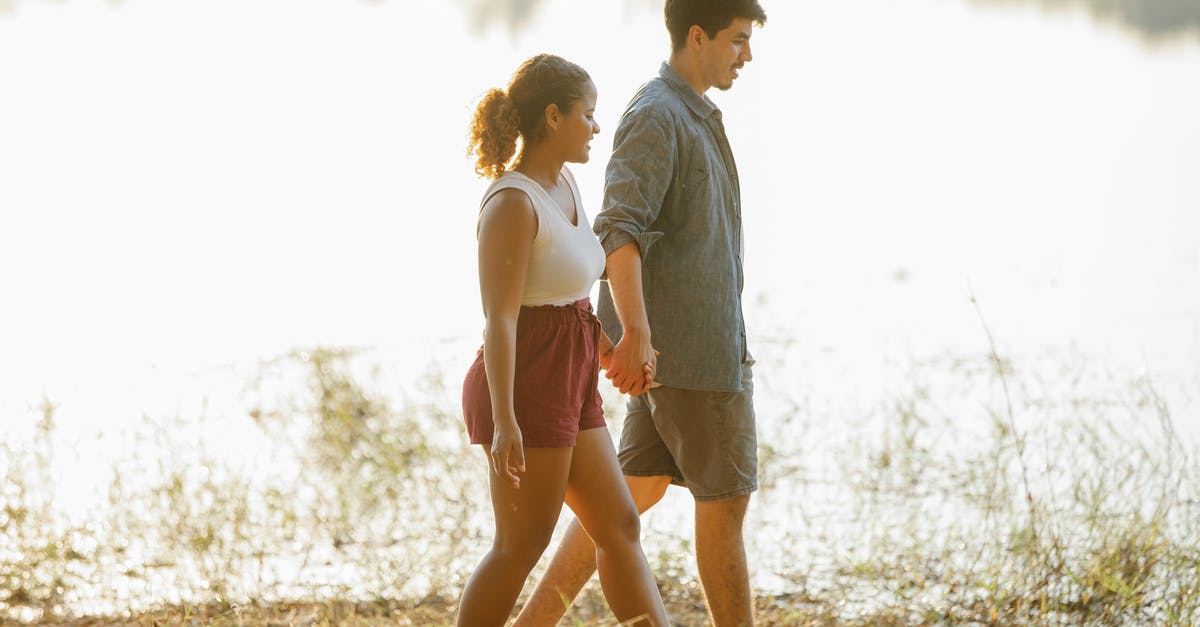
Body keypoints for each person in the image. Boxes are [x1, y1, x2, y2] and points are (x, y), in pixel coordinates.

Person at [513, 2, 767, 626]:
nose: (747, 56)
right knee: (726, 502)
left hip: (675, 355)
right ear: (698, 37)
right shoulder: (658, 115)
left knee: (628, 495)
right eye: (738, 41)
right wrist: (637, 338)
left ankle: (530, 625)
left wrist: (641, 343)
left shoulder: (691, 112)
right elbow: (619, 233)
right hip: (693, 362)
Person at [456, 54, 670, 627]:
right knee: (519, 547)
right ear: (553, 117)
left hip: (569, 376)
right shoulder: (511, 203)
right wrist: (505, 423)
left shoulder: (567, 183)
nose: (597, 128)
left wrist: (609, 352)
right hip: (523, 384)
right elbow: (500, 321)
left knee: (620, 524)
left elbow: (569, 297)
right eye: (588, 115)